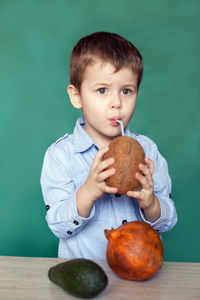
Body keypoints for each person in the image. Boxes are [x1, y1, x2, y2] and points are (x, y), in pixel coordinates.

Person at [40, 32, 177, 259]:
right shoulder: (61, 155)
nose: (116, 103)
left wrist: (150, 202)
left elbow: (168, 221)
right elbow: (58, 225)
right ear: (77, 97)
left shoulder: (148, 150)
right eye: (102, 90)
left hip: (140, 277)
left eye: (126, 91)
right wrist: (88, 192)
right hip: (87, 279)